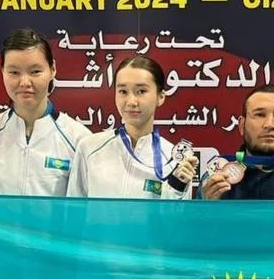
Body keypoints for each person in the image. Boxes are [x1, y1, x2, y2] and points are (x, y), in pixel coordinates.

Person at [0, 28, 91, 196]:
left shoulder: (79, 140)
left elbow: (82, 205)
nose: (24, 82)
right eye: (14, 72)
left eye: (35, 72)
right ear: (2, 72)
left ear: (52, 70)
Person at [67, 56, 197, 199]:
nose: (131, 102)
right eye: (123, 91)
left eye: (141, 91)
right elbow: (73, 208)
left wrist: (177, 187)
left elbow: (177, 214)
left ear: (160, 97)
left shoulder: (174, 161)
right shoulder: (89, 148)